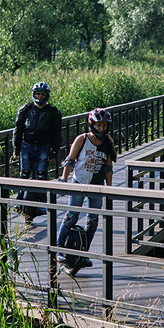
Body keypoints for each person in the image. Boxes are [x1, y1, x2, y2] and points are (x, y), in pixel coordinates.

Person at [56, 107, 117, 275]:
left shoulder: (108, 143)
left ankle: (83, 254)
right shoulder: (82, 139)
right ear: (92, 124)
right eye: (98, 125)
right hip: (79, 182)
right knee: (71, 216)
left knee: (93, 221)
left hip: (96, 186)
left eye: (104, 125)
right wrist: (64, 180)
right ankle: (59, 249)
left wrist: (109, 189)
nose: (101, 129)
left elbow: (108, 167)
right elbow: (70, 160)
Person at [12, 81, 63, 224]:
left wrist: (54, 152)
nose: (40, 97)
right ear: (34, 94)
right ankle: (19, 202)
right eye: (38, 94)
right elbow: (18, 130)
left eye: (43, 94)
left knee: (41, 177)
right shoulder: (25, 109)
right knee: (24, 175)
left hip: (44, 147)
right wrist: (16, 149)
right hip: (27, 146)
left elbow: (56, 134)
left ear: (47, 96)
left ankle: (41, 205)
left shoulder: (53, 112)